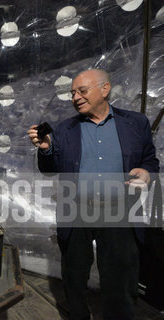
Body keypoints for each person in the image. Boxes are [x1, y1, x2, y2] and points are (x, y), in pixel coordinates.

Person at [27, 69, 159, 320]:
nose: (75, 97)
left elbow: (150, 160)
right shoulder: (64, 130)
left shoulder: (136, 123)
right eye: (73, 93)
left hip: (120, 210)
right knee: (74, 276)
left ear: (105, 89)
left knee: (121, 279)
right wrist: (45, 150)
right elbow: (49, 169)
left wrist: (146, 172)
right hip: (76, 210)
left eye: (82, 91)